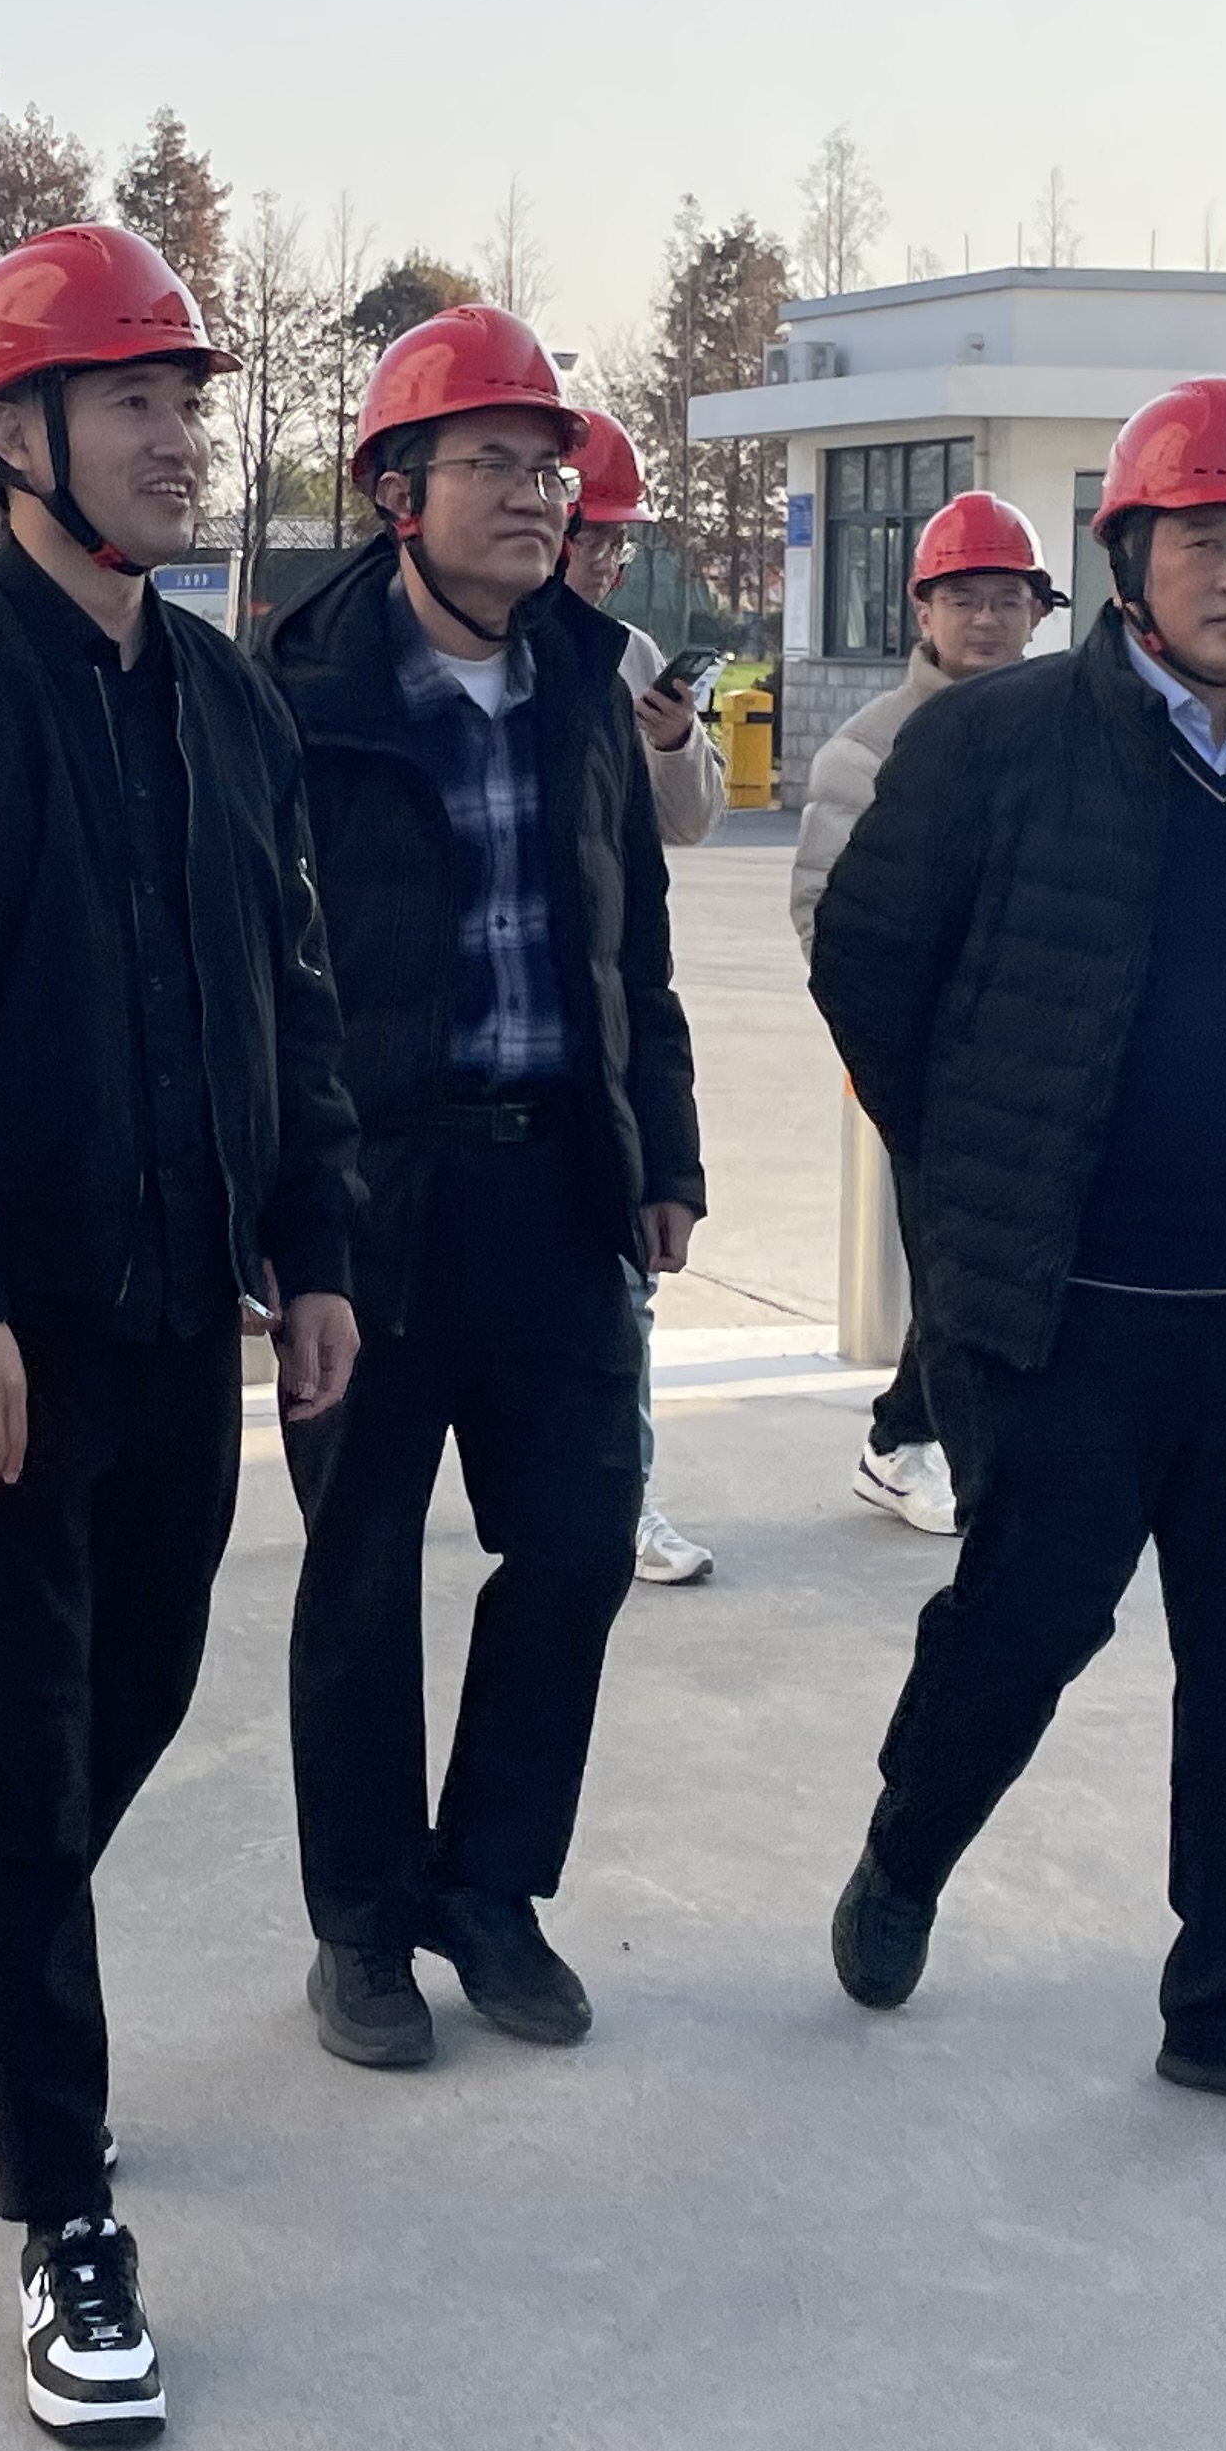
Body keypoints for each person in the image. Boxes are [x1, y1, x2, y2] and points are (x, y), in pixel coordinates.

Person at [0, 224, 361, 2450]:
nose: (178, 439)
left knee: (145, 1682)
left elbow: (287, 998)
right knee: (11, 1758)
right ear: (14, 436)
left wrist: (315, 1243)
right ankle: (66, 2211)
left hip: (176, 1319)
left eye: (189, 403)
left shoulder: (223, 701)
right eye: (134, 402)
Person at [808, 376, 1226, 2134]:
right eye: (1203, 538)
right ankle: (907, 1848)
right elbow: (868, 964)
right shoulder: (993, 744)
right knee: (1025, 1625)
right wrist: (977, 1168)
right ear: (1130, 558)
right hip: (1068, 1307)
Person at [264, 302, 704, 2075]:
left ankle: (494, 1887)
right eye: (491, 464)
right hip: (375, 1202)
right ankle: (364, 1925)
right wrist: (288, 1219)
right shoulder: (296, 692)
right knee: (364, 1573)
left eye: (548, 468)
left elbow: (632, 938)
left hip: (557, 1191)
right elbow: (255, 974)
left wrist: (662, 1149)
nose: (535, 495)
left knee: (579, 1545)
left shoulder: (586, 680)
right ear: (398, 491)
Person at [788, 491, 1061, 1540]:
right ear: (923, 611)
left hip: (1052, 1060)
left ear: (1038, 611)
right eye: (963, 598)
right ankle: (922, 1449)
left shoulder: (1077, 733)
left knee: (1015, 1266)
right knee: (955, 1269)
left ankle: (907, 1432)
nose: (985, 619)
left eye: (1006, 598)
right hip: (935, 1072)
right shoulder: (867, 751)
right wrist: (904, 1068)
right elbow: (830, 926)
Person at [557, 406, 722, 1585]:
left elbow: (691, 822)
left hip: (610, 1019)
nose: (608, 562)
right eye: (597, 538)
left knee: (624, 1299)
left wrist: (671, 741)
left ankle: (626, 1499)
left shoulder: (625, 655)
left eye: (619, 543)